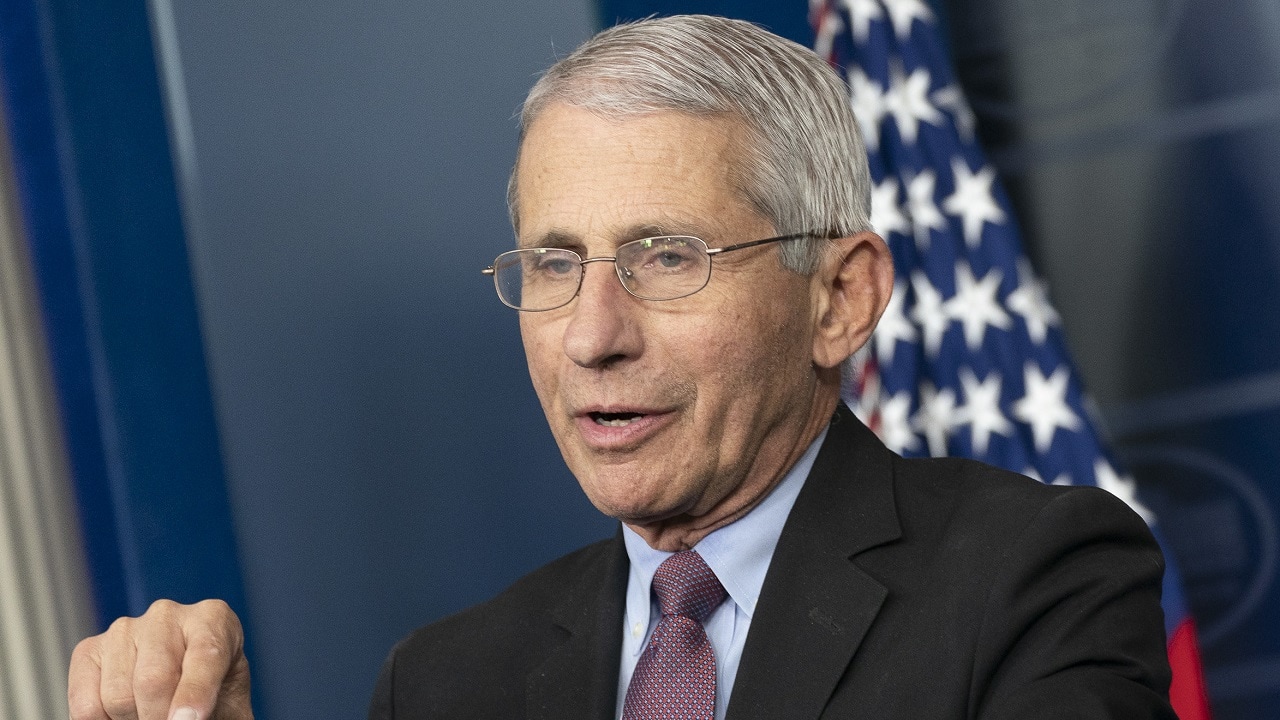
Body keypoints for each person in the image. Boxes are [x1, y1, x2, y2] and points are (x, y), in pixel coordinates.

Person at [68, 15, 1175, 720]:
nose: (593, 333)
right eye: (554, 263)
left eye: (664, 256)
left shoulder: (1035, 580)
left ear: (838, 297)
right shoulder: (445, 688)